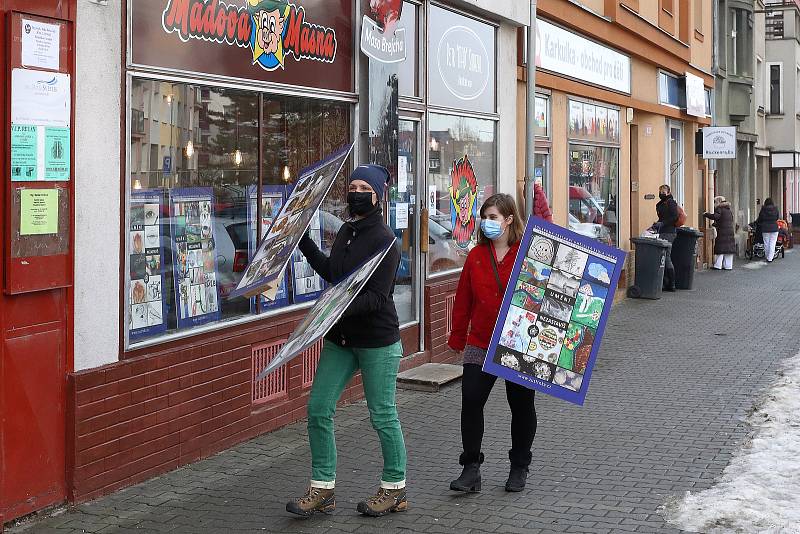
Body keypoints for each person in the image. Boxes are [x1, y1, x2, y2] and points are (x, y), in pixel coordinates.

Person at [286, 164, 406, 518]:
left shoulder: (385, 240)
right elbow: (335, 276)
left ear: (377, 195)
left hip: (377, 341)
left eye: (361, 187)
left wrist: (332, 311)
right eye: (350, 185)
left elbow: (376, 299)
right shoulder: (347, 232)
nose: (354, 192)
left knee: (382, 414)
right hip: (341, 338)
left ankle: (394, 488)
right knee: (318, 408)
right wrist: (303, 242)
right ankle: (322, 489)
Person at [447, 194, 537, 494]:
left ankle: (519, 466)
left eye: (493, 217)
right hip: (481, 341)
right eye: (484, 217)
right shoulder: (475, 256)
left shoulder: (528, 255)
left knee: (521, 405)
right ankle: (471, 468)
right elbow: (463, 299)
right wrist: (458, 335)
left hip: (518, 343)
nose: (487, 223)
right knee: (471, 400)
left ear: (509, 219)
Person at [655, 184, 679, 291]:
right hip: (662, 231)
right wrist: (657, 224)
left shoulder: (671, 202)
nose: (661, 193)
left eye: (663, 192)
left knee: (667, 257)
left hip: (669, 232)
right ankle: (664, 282)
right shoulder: (660, 204)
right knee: (663, 257)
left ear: (668, 192)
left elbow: (675, 217)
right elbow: (661, 217)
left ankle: (672, 284)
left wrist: (663, 223)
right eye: (660, 191)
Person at [703, 196, 735, 270]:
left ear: (718, 201)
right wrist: (715, 224)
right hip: (730, 231)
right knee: (728, 249)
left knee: (721, 248)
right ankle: (728, 266)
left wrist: (706, 214)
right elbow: (725, 220)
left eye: (715, 202)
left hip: (723, 231)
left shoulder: (719, 208)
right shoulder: (728, 210)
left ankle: (717, 265)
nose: (714, 203)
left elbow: (716, 217)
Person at [756, 197, 780, 262]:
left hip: (765, 228)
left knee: (766, 243)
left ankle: (767, 256)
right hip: (774, 228)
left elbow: (760, 218)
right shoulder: (776, 209)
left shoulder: (763, 209)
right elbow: (777, 217)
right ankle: (770, 258)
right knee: (772, 243)